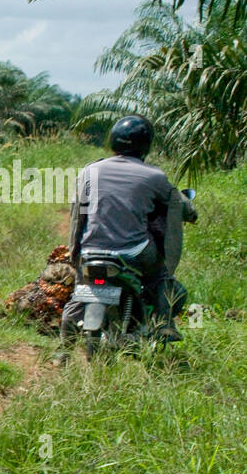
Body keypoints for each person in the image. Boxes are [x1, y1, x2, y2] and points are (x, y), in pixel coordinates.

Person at [55, 115, 196, 359]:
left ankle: (61, 352)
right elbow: (177, 203)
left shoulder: (90, 170)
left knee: (83, 289)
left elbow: (79, 212)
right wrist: (191, 213)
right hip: (133, 253)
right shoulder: (154, 177)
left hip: (91, 251)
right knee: (161, 275)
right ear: (146, 144)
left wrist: (76, 251)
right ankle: (163, 323)